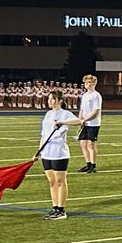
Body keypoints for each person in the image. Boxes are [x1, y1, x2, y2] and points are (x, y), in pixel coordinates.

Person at [40, 90, 79, 220]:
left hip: (59, 151)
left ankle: (61, 210)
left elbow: (79, 121)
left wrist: (62, 122)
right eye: (49, 99)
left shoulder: (65, 114)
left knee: (60, 181)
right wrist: (40, 150)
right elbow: (43, 134)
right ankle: (54, 207)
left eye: (52, 99)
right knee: (51, 181)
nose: (49, 101)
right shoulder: (48, 114)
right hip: (47, 151)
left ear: (60, 101)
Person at [75, 74, 103, 173]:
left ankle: (93, 165)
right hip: (85, 123)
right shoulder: (85, 95)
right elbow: (82, 109)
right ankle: (88, 163)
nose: (87, 84)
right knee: (83, 143)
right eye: (86, 82)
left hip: (93, 123)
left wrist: (85, 120)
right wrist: (80, 119)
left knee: (91, 144)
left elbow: (95, 112)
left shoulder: (96, 95)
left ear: (94, 83)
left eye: (90, 82)